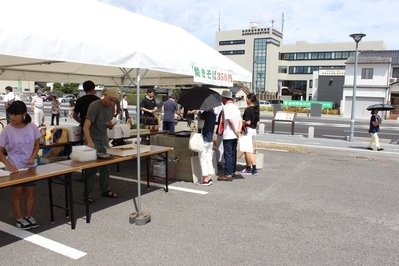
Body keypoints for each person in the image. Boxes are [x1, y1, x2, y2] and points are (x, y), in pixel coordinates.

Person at [0, 101, 41, 230]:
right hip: (15, 168)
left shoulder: (32, 127)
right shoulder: (7, 130)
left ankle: (28, 216)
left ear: (24, 114)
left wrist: (33, 157)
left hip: (31, 166)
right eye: (11, 114)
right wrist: (8, 164)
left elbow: (37, 144)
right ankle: (19, 218)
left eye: (16, 114)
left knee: (30, 193)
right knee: (17, 193)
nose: (12, 117)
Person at [83, 87, 119, 203]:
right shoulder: (95, 106)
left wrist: (109, 126)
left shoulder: (111, 108)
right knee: (91, 169)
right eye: (111, 100)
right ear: (104, 95)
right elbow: (86, 126)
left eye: (114, 101)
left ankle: (105, 189)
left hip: (104, 139)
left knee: (106, 167)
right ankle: (87, 193)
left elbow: (105, 123)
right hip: (93, 140)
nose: (112, 103)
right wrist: (89, 142)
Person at [217, 90, 241, 182]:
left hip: (229, 134)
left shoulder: (226, 107)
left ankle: (227, 174)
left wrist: (235, 131)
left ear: (224, 98)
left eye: (222, 98)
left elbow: (230, 120)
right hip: (235, 136)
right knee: (233, 154)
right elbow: (240, 120)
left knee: (228, 154)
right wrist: (238, 131)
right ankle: (232, 172)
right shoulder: (235, 107)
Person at [239, 93, 260, 175]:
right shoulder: (256, 109)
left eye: (246, 98)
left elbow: (248, 121)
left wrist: (242, 121)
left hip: (248, 130)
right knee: (250, 150)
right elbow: (258, 123)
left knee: (247, 150)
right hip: (253, 130)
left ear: (249, 99)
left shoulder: (248, 109)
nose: (245, 100)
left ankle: (249, 168)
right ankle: (254, 168)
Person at [197, 109, 216, 185]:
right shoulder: (214, 115)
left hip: (204, 139)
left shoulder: (205, 114)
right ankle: (209, 177)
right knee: (208, 158)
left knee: (203, 158)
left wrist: (200, 117)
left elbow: (200, 126)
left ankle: (205, 178)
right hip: (210, 139)